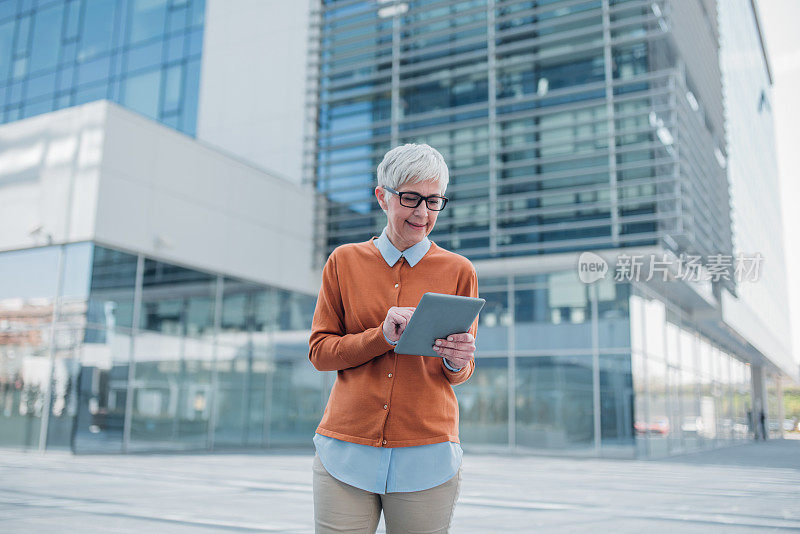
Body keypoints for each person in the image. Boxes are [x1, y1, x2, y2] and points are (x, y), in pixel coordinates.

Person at [308, 143, 478, 533]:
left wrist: (458, 359)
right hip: (345, 454)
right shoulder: (343, 261)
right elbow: (319, 353)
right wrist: (380, 337)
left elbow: (460, 371)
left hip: (428, 457)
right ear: (382, 197)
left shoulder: (459, 270)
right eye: (411, 198)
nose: (422, 213)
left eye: (433, 201)